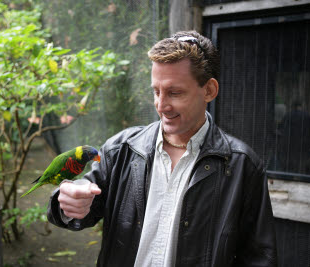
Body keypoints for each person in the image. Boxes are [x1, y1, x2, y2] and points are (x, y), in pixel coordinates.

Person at [47, 30, 277, 267]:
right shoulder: (121, 149)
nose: (161, 105)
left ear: (209, 90)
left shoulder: (242, 165)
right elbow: (75, 207)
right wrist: (68, 202)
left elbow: (259, 257)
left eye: (174, 93)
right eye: (156, 91)